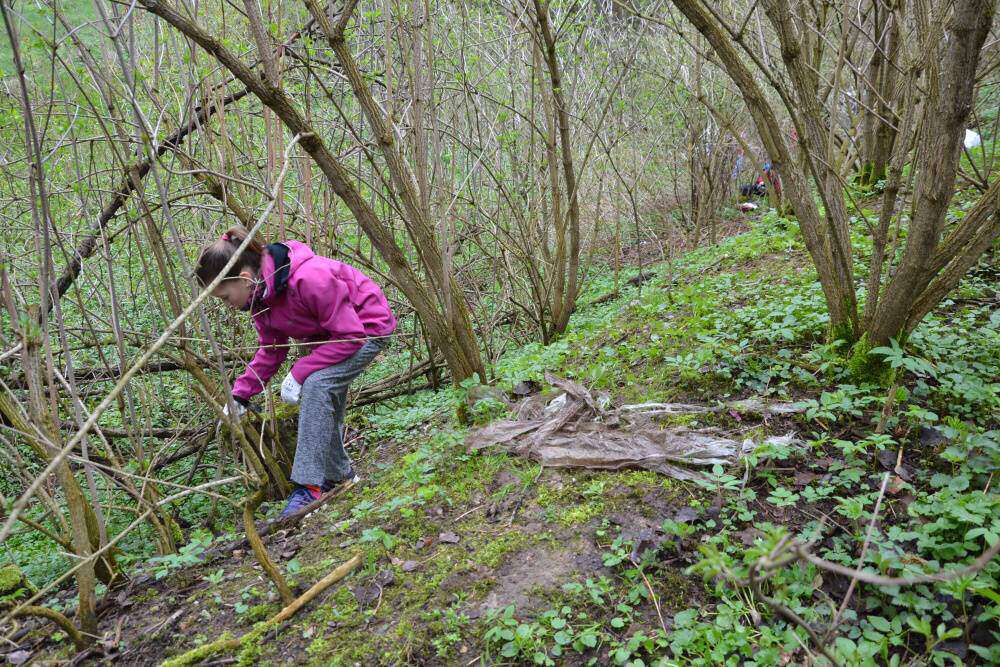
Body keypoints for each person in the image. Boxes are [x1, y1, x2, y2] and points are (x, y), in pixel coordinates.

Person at [195, 227, 396, 518]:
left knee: (316, 385)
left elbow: (351, 336)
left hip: (367, 329)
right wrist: (240, 394)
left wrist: (300, 371)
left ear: (244, 278)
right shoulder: (260, 300)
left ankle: (309, 487)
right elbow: (272, 348)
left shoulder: (309, 277)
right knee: (325, 393)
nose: (228, 305)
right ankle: (341, 475)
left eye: (226, 297)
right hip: (335, 338)